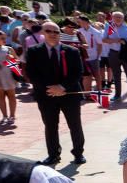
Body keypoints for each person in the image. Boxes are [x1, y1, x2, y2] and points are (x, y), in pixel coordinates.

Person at [24, 21, 86, 165]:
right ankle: (53, 155)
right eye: (48, 31)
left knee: (75, 124)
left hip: (69, 94)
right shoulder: (33, 51)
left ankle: (78, 153)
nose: (52, 34)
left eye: (56, 32)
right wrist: (50, 88)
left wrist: (62, 87)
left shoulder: (72, 51)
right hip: (46, 95)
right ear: (42, 33)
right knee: (50, 126)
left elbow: (78, 73)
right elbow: (31, 73)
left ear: (60, 34)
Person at [100, 11, 127, 101]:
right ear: (112, 18)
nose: (118, 19)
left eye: (120, 17)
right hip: (114, 53)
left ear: (123, 18)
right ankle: (117, 95)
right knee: (116, 76)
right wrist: (116, 40)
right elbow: (104, 40)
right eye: (116, 17)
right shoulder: (110, 27)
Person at [0, 29, 17, 124]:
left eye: (5, 38)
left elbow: (17, 62)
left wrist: (12, 59)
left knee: (11, 96)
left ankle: (12, 116)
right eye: (2, 38)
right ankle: (4, 116)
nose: (4, 39)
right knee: (0, 96)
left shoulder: (9, 49)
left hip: (8, 75)